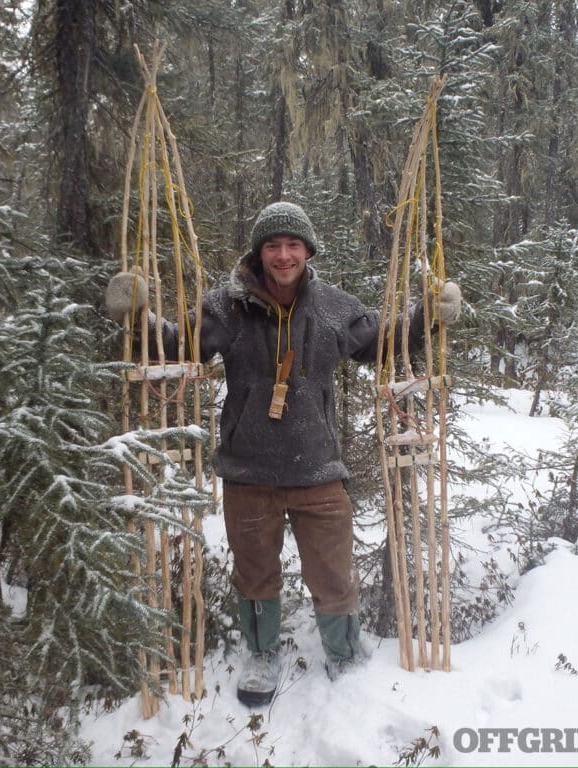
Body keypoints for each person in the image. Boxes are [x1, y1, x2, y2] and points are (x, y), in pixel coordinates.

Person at [106, 201, 461, 707]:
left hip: (318, 467)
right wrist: (138, 315)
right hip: (249, 469)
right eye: (273, 245)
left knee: (332, 570)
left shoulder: (332, 306)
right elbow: (179, 346)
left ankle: (342, 653)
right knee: (255, 572)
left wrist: (428, 317)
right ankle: (261, 654)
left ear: (308, 250)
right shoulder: (226, 307)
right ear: (259, 252)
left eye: (293, 245)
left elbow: (382, 341)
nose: (283, 254)